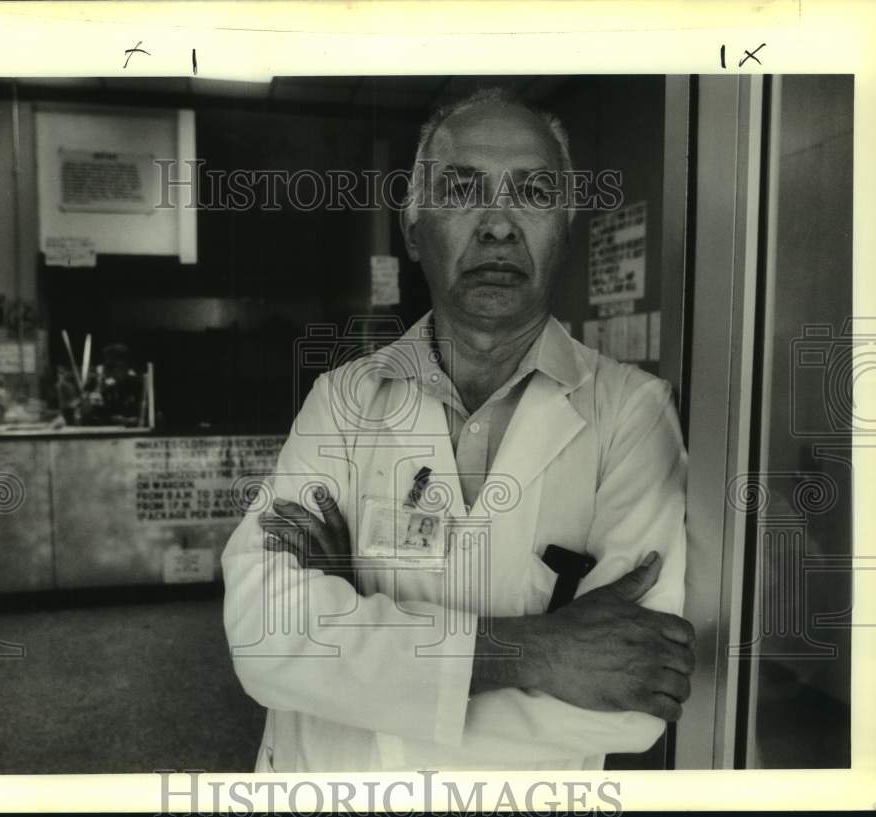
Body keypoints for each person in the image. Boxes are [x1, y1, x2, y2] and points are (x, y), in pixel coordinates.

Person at [221, 87, 695, 772]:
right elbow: (266, 634)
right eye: (462, 190)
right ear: (414, 230)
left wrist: (355, 633)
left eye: (532, 192)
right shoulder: (342, 400)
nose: (498, 225)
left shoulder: (635, 414)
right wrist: (537, 650)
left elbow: (632, 697)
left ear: (564, 226)